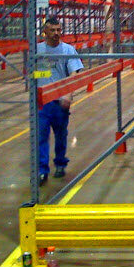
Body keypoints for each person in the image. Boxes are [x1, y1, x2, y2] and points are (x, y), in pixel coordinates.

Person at [36, 17, 84, 186]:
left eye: (59, 30)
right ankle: (42, 171)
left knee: (61, 135)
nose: (56, 33)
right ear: (45, 32)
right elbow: (33, 73)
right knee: (41, 136)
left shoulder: (68, 50)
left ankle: (60, 164)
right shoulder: (38, 50)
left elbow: (74, 73)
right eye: (53, 30)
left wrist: (68, 94)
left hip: (59, 101)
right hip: (42, 103)